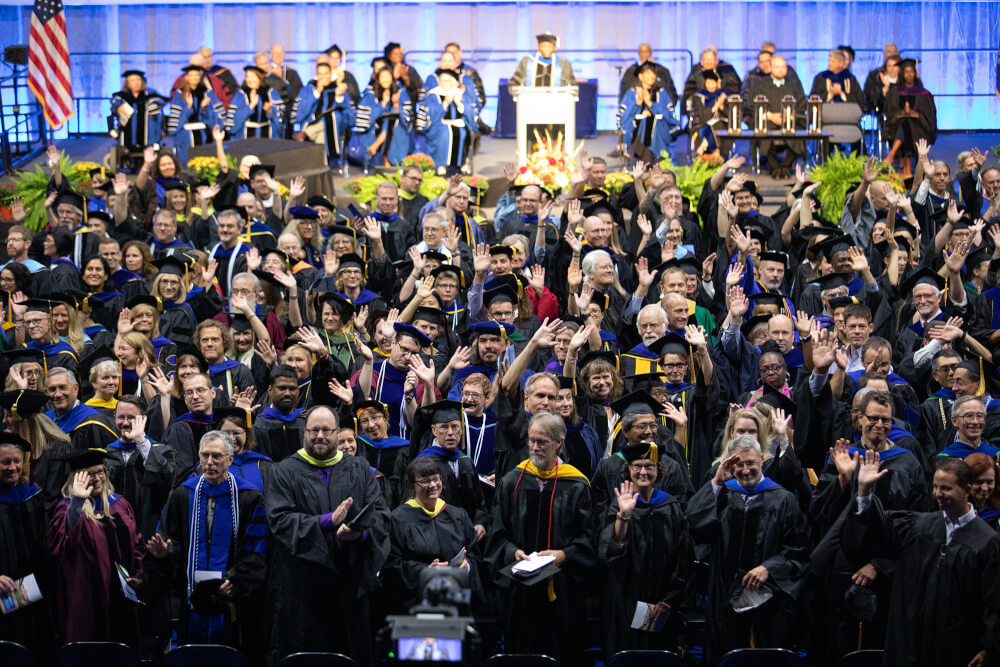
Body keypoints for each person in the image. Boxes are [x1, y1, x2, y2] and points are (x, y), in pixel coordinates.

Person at [843, 454, 1000, 666]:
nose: (937, 494)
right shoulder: (918, 526)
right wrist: (864, 491)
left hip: (956, 648)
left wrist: (988, 647)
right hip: (910, 643)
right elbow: (876, 531)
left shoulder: (987, 541)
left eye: (945, 488)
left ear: (966, 490)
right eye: (935, 487)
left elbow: (994, 602)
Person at [265, 404, 390, 664]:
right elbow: (280, 520)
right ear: (304, 433)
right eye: (313, 430)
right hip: (302, 587)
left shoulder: (358, 468)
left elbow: (381, 516)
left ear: (337, 433)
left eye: (326, 430)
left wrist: (360, 535)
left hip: (351, 584)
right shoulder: (284, 471)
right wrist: (326, 521)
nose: (319, 436)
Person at [687, 434, 809, 663]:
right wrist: (716, 482)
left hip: (768, 599)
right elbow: (695, 525)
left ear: (762, 459)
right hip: (724, 594)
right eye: (739, 464)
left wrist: (769, 568)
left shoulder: (783, 499)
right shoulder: (724, 493)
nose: (745, 470)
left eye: (751, 463)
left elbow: (798, 550)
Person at [485, 412, 596, 663]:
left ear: (559, 442)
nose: (534, 447)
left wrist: (565, 554)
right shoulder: (513, 481)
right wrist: (513, 551)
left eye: (542, 442)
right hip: (520, 588)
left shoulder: (577, 484)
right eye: (531, 441)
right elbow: (497, 533)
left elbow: (589, 537)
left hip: (563, 589)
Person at [145, 430, 267, 647]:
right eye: (205, 455)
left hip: (233, 602)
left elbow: (257, 548)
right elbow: (171, 540)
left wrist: (236, 580)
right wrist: (165, 552)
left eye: (217, 456)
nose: (209, 462)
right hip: (189, 599)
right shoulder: (182, 495)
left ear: (230, 459)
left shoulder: (250, 497)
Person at [599, 441, 693, 656]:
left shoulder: (670, 507)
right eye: (637, 466)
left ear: (658, 470)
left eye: (649, 466)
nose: (643, 471)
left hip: (661, 603)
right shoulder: (618, 505)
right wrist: (624, 516)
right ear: (628, 470)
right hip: (624, 601)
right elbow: (610, 552)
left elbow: (683, 557)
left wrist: (669, 600)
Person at [47, 448, 143, 645]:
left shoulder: (120, 504)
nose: (98, 478)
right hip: (87, 597)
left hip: (122, 597)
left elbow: (137, 543)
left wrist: (140, 575)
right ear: (77, 477)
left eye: (101, 471)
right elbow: (60, 544)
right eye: (90, 474)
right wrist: (78, 501)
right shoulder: (67, 508)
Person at [384, 456, 478, 611]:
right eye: (425, 481)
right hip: (418, 601)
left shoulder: (457, 515)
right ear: (412, 485)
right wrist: (425, 571)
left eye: (436, 479)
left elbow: (475, 553)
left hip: (456, 596)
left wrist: (467, 566)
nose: (433, 485)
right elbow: (391, 564)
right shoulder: (398, 519)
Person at [0, 432, 52, 659]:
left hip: (36, 590)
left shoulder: (34, 495)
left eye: (17, 461)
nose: (13, 467)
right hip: (3, 592)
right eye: (5, 462)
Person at [104, 396, 176, 543]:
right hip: (114, 533)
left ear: (143, 419)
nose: (125, 423)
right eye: (121, 417)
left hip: (149, 533)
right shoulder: (106, 453)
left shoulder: (162, 451)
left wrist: (141, 442)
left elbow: (166, 481)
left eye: (131, 418)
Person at [746, 56, 806, 179]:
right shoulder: (760, 84)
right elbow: (751, 105)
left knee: (797, 128)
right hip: (768, 119)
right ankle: (775, 167)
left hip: (790, 120)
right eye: (777, 67)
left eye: (783, 67)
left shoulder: (794, 84)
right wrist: (769, 116)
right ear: (771, 68)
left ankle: (786, 166)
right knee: (764, 129)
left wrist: (788, 116)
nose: (780, 70)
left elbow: (802, 104)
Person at [295, 55, 356, 167]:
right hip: (319, 131)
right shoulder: (309, 89)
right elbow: (299, 115)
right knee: (323, 133)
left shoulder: (339, 89)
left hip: (337, 128)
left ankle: (307, 132)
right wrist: (316, 93)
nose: (323, 77)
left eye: (326, 74)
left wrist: (339, 97)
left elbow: (352, 118)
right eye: (320, 74)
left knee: (333, 116)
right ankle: (323, 166)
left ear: (330, 73)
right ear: (317, 76)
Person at [884, 59, 937, 177]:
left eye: (911, 72)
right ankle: (906, 167)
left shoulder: (923, 93)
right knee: (905, 122)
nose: (909, 75)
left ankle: (893, 156)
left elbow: (929, 115)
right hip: (898, 124)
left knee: (908, 123)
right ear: (902, 74)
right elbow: (890, 112)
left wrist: (915, 114)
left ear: (915, 73)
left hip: (920, 126)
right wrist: (903, 113)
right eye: (906, 72)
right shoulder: (895, 91)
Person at [618, 62, 679, 162]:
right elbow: (624, 116)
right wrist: (638, 103)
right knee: (643, 122)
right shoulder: (632, 92)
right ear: (640, 76)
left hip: (659, 127)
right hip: (636, 128)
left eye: (653, 74)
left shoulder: (661, 92)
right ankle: (644, 159)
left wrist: (651, 104)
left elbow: (670, 115)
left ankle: (636, 153)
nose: (651, 76)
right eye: (647, 73)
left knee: (651, 123)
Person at [419, 68, 476, 174]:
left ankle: (462, 163)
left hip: (458, 123)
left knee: (464, 132)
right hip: (440, 124)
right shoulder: (433, 95)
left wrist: (459, 104)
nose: (444, 83)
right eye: (441, 80)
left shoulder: (460, 94)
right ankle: (441, 165)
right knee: (445, 133)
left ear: (454, 82)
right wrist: (444, 104)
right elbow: (430, 115)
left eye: (447, 80)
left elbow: (469, 113)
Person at [166, 64, 224, 164]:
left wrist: (204, 108)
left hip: (205, 134)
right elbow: (174, 126)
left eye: (197, 75)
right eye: (192, 75)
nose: (195, 78)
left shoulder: (207, 92)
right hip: (186, 137)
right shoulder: (179, 94)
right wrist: (188, 107)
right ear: (186, 77)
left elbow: (216, 118)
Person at [253, 365, 305, 463]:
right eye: (282, 388)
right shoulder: (258, 425)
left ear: (298, 390)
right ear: (270, 391)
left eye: (292, 389)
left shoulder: (305, 422)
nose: (287, 393)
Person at [110, 70, 165, 161]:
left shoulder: (150, 94)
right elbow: (114, 107)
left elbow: (160, 101)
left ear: (142, 81)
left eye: (138, 80)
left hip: (148, 134)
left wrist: (154, 106)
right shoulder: (121, 97)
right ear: (127, 83)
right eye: (132, 81)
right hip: (128, 134)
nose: (136, 83)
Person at [227, 64, 284, 140]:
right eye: (247, 76)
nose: (250, 79)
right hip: (243, 140)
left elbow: (281, 123)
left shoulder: (272, 93)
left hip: (269, 139)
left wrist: (270, 111)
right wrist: (250, 106)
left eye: (253, 76)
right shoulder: (240, 95)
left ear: (260, 77)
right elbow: (232, 126)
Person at [508, 32, 576, 92]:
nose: (547, 49)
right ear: (538, 47)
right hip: (530, 102)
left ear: (554, 48)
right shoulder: (527, 61)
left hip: (556, 102)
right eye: (544, 46)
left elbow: (572, 86)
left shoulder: (564, 64)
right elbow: (514, 83)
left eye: (550, 46)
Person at [939, 394, 998, 459]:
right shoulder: (946, 458)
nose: (975, 421)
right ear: (955, 421)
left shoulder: (995, 454)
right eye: (969, 416)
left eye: (980, 416)